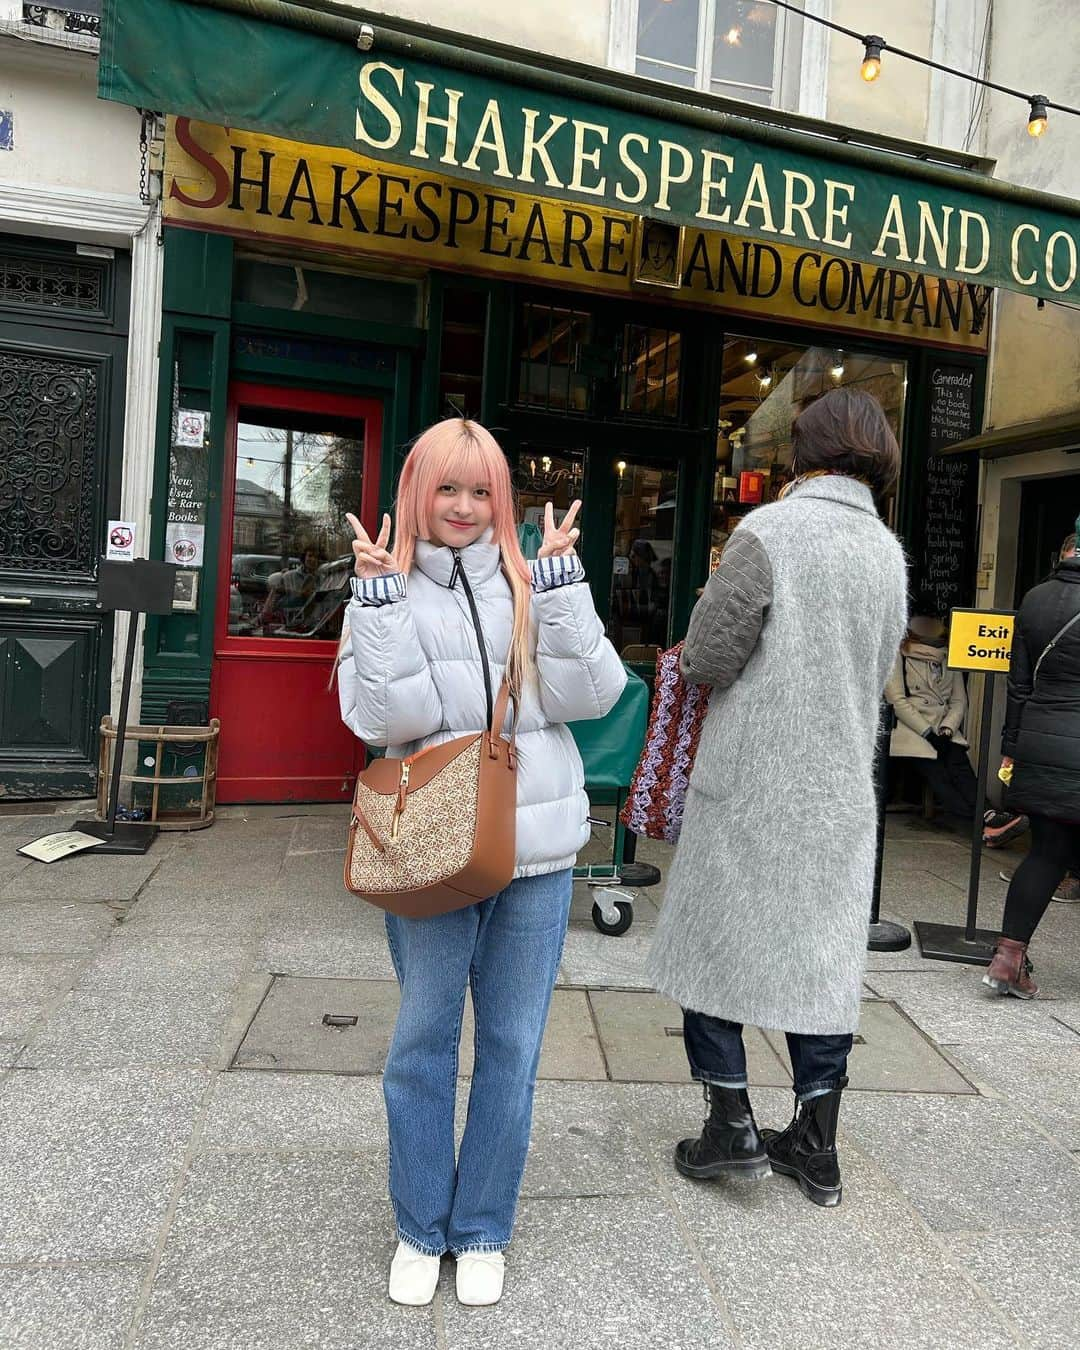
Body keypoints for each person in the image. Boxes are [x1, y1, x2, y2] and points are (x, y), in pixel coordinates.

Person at [336, 419, 625, 1306]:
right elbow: (385, 722)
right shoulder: (383, 590)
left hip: (535, 850)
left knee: (512, 1046)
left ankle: (483, 1224)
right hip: (428, 847)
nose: (462, 508)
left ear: (501, 500)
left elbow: (591, 695)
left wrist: (563, 589)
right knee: (423, 1041)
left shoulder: (530, 584)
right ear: (417, 491)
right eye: (446, 489)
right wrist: (379, 606)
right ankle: (422, 1223)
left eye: (481, 491)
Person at [647, 387, 908, 1208]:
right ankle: (816, 1145)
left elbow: (709, 659)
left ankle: (730, 1126)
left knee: (713, 944)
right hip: (838, 793)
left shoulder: (769, 532)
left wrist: (699, 612)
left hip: (754, 782)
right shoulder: (887, 552)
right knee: (823, 960)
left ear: (805, 451)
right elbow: (877, 674)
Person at [984, 525, 1080, 998]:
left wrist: (1013, 745)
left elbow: (1018, 685)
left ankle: (1007, 959)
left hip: (1041, 743)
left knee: (1045, 853)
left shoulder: (1036, 598)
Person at [885, 615, 1028, 845]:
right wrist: (927, 733)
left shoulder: (949, 656)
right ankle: (985, 824)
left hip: (944, 730)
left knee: (962, 770)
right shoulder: (898, 656)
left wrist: (947, 729)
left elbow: (959, 700)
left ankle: (989, 817)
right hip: (913, 731)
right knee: (941, 778)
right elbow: (898, 701)